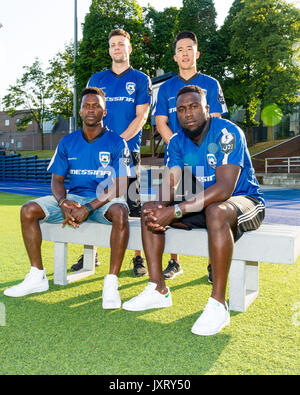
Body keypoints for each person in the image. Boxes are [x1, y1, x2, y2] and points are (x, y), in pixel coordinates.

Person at [122, 85, 265, 336]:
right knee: (150, 210)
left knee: (216, 212)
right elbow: (170, 182)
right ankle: (158, 288)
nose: (188, 113)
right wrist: (159, 206)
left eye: (194, 106)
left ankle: (218, 304)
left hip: (243, 202)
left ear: (207, 108)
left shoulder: (227, 133)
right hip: (204, 204)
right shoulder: (177, 141)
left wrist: (175, 211)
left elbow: (224, 189)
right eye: (182, 109)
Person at [4, 87, 132, 310]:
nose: (91, 109)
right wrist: (63, 203)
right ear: (80, 111)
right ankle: (37, 276)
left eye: (96, 106)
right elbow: (57, 180)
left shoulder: (117, 142)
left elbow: (120, 185)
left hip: (102, 200)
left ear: (104, 112)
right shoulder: (67, 142)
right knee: (28, 210)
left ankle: (111, 283)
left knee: (121, 211)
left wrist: (89, 207)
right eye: (86, 106)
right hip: (73, 197)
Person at [71, 28, 152, 277]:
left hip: (128, 152)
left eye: (121, 44)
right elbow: (87, 113)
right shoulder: (96, 78)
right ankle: (90, 254)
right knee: (91, 199)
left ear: (129, 49)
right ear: (109, 50)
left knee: (133, 207)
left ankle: (138, 259)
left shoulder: (140, 79)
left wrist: (117, 142)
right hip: (96, 154)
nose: (117, 48)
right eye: (113, 44)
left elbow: (142, 116)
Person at [155, 31, 228, 280]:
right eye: (180, 50)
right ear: (175, 57)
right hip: (177, 160)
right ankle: (174, 261)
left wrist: (199, 151)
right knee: (172, 204)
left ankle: (212, 264)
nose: (185, 53)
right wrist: (180, 147)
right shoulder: (166, 88)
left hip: (207, 159)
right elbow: (161, 122)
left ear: (196, 53)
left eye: (189, 49)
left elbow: (217, 121)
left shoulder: (211, 83)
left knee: (209, 204)